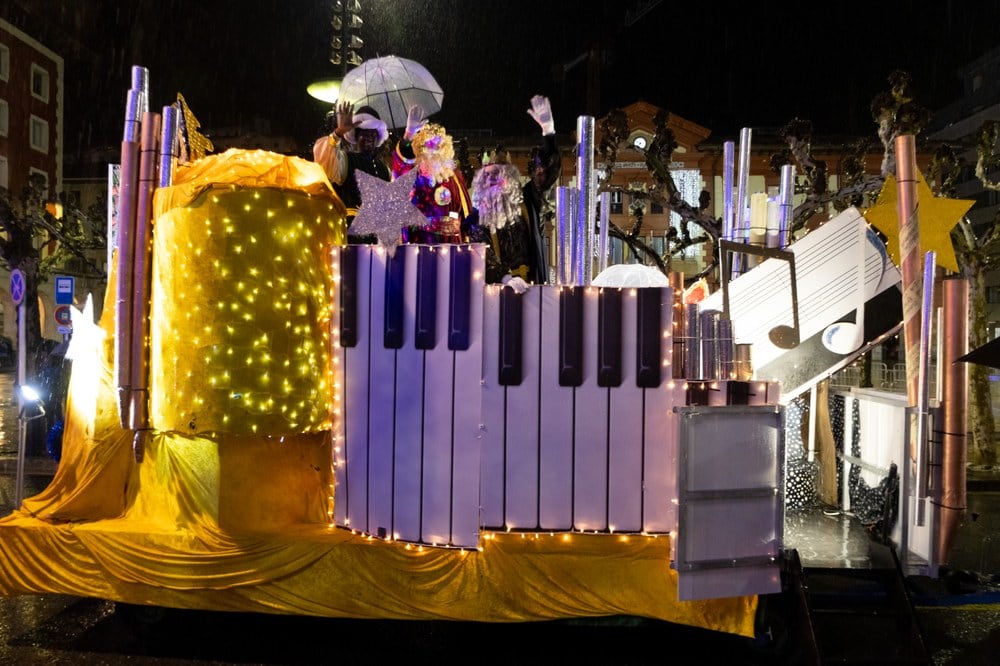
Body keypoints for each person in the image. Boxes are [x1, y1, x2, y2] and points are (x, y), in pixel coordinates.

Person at [392, 106, 471, 243]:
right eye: (428, 145)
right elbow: (400, 168)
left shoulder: (455, 176)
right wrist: (409, 134)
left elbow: (465, 211)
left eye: (438, 145)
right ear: (420, 149)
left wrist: (459, 225)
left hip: (451, 242)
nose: (433, 150)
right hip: (422, 242)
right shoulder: (414, 175)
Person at [463, 151, 541, 289]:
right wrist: (505, 278)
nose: (492, 179)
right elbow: (482, 252)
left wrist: (549, 136)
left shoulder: (524, 208)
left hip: (531, 283)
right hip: (501, 289)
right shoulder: (478, 217)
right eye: (487, 176)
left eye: (497, 174)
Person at [313, 102, 391, 233]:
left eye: (372, 134)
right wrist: (338, 133)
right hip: (351, 235)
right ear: (356, 136)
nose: (369, 138)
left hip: (378, 238)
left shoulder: (384, 168)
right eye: (364, 133)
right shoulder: (346, 160)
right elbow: (325, 161)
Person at [521, 95, 561, 283]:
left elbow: (554, 167)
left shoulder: (540, 192)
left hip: (534, 262)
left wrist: (549, 132)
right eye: (537, 166)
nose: (540, 170)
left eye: (543, 166)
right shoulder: (525, 192)